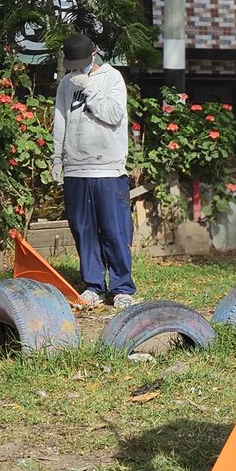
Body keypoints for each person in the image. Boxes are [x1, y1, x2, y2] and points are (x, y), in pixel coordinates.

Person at [50, 33, 137, 308]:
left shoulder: (112, 78)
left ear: (95, 54)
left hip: (108, 168)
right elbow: (61, 119)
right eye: (73, 65)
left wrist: (88, 87)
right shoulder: (66, 82)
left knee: (114, 229)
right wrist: (57, 157)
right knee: (83, 230)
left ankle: (122, 288)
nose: (77, 69)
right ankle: (93, 285)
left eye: (81, 63)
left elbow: (113, 115)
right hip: (76, 168)